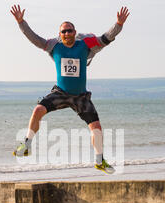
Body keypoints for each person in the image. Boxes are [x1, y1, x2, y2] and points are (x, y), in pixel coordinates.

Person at [10, 5, 130, 174]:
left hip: (81, 96)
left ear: (75, 32)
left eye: (69, 31)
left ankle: (99, 161)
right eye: (63, 32)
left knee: (96, 127)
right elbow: (35, 39)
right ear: (60, 35)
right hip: (60, 93)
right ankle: (27, 143)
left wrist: (118, 24)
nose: (66, 34)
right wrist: (21, 22)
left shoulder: (85, 45)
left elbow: (105, 38)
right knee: (37, 109)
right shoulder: (54, 47)